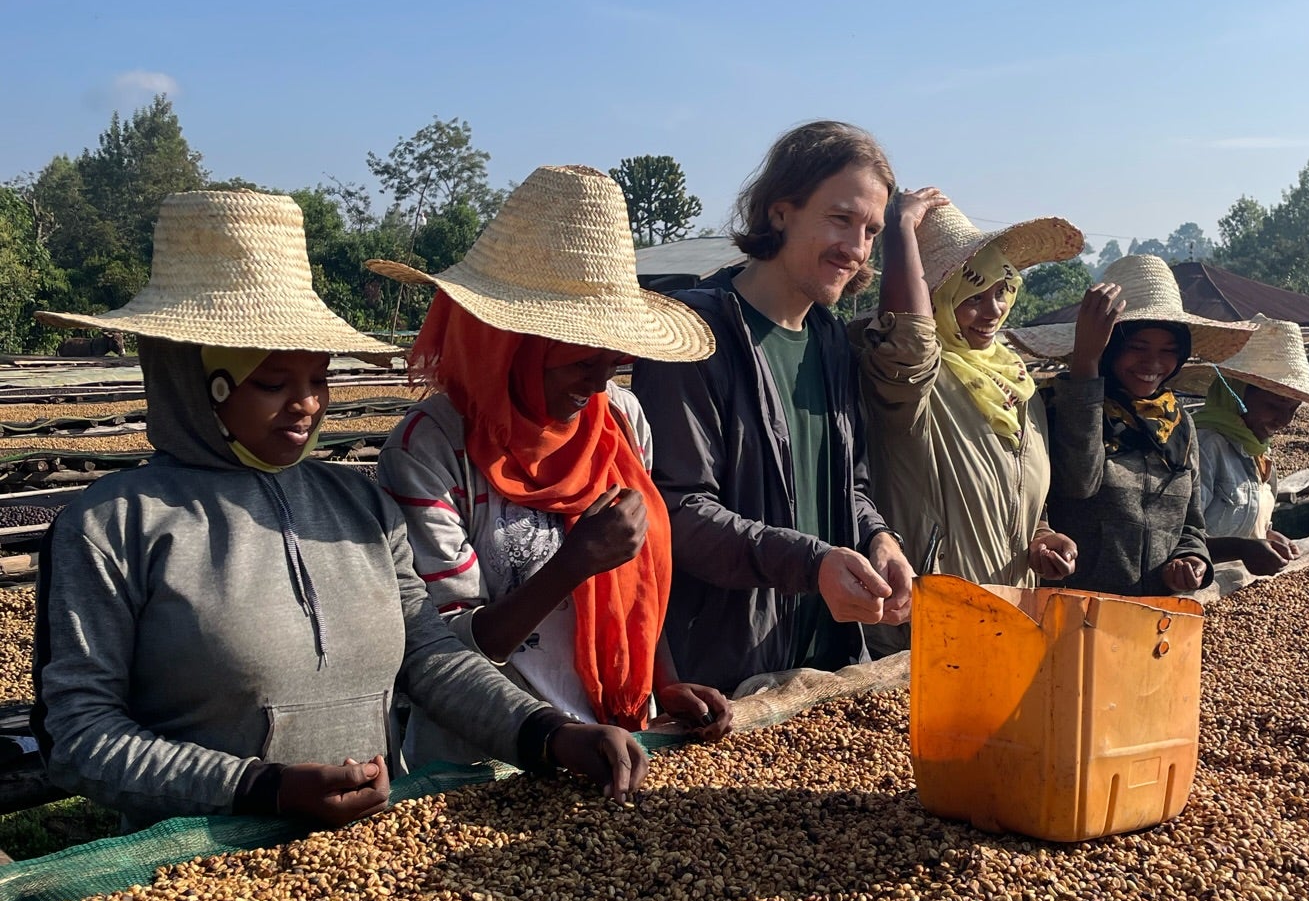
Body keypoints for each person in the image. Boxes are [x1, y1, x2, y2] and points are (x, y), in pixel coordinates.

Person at [33, 191, 649, 828]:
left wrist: (548, 735)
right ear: (194, 383)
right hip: (192, 867)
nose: (306, 405)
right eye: (272, 383)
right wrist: (257, 786)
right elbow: (78, 738)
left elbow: (430, 658)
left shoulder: (360, 505)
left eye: (318, 379)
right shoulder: (115, 525)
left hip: (365, 850)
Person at [368, 165, 734, 763]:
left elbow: (634, 579)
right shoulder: (432, 448)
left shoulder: (620, 418)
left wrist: (663, 681)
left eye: (612, 361)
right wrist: (574, 563)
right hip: (486, 757)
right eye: (578, 361)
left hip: (617, 737)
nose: (597, 384)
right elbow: (446, 647)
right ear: (512, 345)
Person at [629, 121, 916, 694]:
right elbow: (676, 510)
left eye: (870, 231)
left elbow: (851, 487)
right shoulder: (693, 333)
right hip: (720, 676)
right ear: (781, 211)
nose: (856, 250)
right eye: (841, 219)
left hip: (827, 663)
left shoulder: (831, 342)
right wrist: (811, 565)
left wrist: (880, 538)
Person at [857, 186, 1086, 648]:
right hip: (925, 628)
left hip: (1008, 618)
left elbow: (1018, 495)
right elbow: (909, 338)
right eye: (974, 295)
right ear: (938, 299)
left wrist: (1041, 539)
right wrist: (899, 227)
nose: (994, 310)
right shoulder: (913, 382)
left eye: (1002, 291)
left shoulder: (1017, 383)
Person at [1029, 254, 1255, 598]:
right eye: (1136, 347)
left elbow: (1191, 524)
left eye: (1169, 350)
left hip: (1155, 615)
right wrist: (1086, 365)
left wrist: (1190, 559)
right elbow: (1079, 483)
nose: (1153, 363)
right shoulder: (1058, 406)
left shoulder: (1177, 424)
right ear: (1110, 348)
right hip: (1072, 608)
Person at [1177, 317, 1309, 575]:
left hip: (1236, 586)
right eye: (1272, 406)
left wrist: (1268, 536)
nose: (1284, 420)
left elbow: (1244, 523)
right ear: (1236, 395)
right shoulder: (1203, 447)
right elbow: (1176, 540)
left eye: (1292, 409)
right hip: (1197, 588)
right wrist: (1241, 549)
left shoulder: (1258, 450)